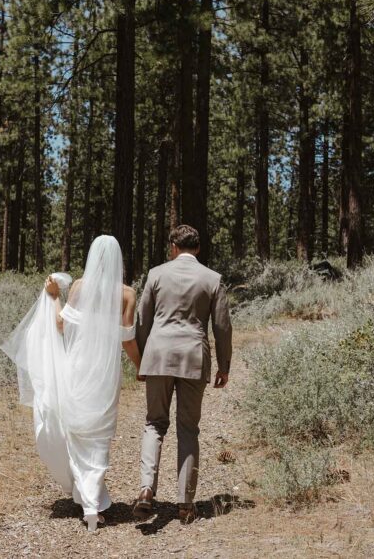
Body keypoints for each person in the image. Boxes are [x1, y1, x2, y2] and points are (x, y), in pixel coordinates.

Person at [1, 235, 139, 531]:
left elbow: (62, 325)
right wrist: (142, 367)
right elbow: (128, 341)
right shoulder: (128, 294)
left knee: (77, 429)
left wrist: (53, 297)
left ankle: (89, 501)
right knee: (99, 433)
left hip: (78, 366)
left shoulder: (79, 287)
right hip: (105, 373)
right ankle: (91, 499)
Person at [132, 224, 232, 525]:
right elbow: (223, 327)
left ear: (173, 247)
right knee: (188, 428)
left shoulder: (156, 274)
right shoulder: (212, 279)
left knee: (154, 423)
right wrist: (224, 366)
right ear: (198, 249)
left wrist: (141, 361)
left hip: (158, 356)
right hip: (193, 357)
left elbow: (142, 320)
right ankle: (186, 504)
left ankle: (147, 489)